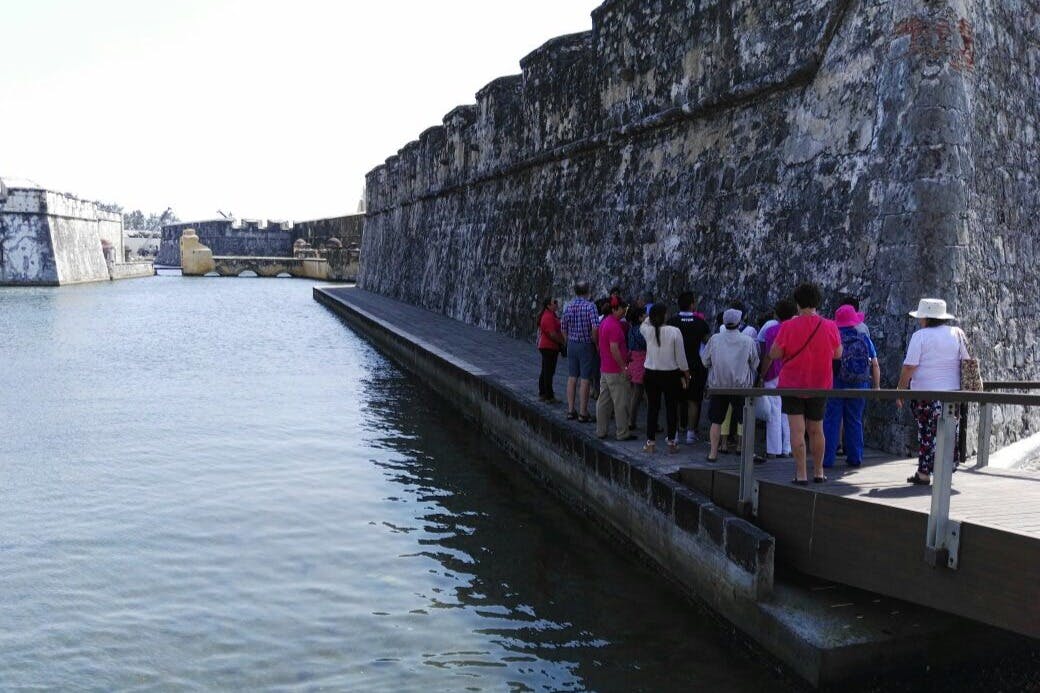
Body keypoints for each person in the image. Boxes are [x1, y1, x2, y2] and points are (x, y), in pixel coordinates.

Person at [765, 283, 842, 484]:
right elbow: (838, 353)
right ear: (817, 302)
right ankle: (818, 471)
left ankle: (801, 474)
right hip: (819, 383)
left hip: (792, 384)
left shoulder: (788, 326)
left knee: (797, 431)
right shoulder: (830, 326)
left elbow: (774, 353)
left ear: (797, 303)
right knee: (817, 429)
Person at [896, 298, 969, 485]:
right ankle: (945, 470)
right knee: (949, 433)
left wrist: (900, 390)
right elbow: (967, 361)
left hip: (925, 395)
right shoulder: (957, 333)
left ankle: (924, 473)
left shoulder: (920, 336)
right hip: (952, 394)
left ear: (926, 318)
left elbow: (909, 367)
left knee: (927, 433)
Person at [822, 305, 880, 468]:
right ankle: (855, 457)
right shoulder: (863, 338)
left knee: (832, 420)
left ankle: (827, 459)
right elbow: (875, 364)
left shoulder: (833, 337)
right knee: (854, 420)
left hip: (836, 383)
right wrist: (876, 387)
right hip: (860, 384)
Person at [703, 308, 760, 462]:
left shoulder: (715, 339)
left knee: (716, 420)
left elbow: (705, 360)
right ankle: (747, 453)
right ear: (738, 322)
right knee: (745, 420)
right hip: (740, 386)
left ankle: (713, 453)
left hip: (719, 386)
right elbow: (755, 363)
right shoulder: (747, 341)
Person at [641, 303, 690, 453]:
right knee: (671, 408)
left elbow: (644, 322)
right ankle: (671, 442)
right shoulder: (675, 331)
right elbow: (681, 357)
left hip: (650, 373)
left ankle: (650, 442)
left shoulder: (647, 331)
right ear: (665, 315)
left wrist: (651, 317)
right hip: (670, 374)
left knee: (652, 408)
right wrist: (686, 374)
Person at [668, 292, 711, 444]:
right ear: (692, 305)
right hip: (695, 366)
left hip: (676, 366)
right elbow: (707, 343)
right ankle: (691, 433)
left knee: (677, 399)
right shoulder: (700, 323)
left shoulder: (672, 322)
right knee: (693, 400)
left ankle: (677, 431)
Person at [758, 299, 797, 458]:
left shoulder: (772, 331)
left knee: (774, 412)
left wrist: (761, 375)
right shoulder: (797, 329)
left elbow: (769, 356)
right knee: (788, 412)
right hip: (792, 374)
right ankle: (787, 448)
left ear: (777, 314)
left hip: (774, 373)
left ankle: (773, 449)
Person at [596, 297, 634, 441]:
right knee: (621, 402)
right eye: (622, 308)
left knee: (604, 401)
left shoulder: (605, 322)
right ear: (615, 309)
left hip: (605, 368)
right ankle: (622, 432)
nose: (624, 311)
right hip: (615, 370)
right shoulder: (614, 326)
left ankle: (601, 431)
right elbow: (614, 348)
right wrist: (623, 366)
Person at [560, 282, 599, 422]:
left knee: (572, 377)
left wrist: (568, 341)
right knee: (585, 378)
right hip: (585, 344)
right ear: (587, 290)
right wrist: (596, 343)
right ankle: (583, 412)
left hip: (572, 343)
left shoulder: (568, 306)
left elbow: (563, 327)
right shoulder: (590, 306)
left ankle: (571, 410)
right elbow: (595, 328)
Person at [536, 297, 564, 402]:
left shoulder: (550, 315)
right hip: (549, 347)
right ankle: (549, 395)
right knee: (549, 371)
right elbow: (552, 334)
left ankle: (543, 393)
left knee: (545, 370)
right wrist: (561, 341)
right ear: (549, 305)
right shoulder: (548, 317)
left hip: (548, 346)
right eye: (554, 302)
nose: (557, 304)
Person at [625, 306, 648, 431]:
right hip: (642, 361)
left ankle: (630, 420)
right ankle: (651, 422)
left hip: (633, 361)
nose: (647, 316)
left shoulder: (631, 330)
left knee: (636, 393)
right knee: (645, 394)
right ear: (640, 317)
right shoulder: (642, 330)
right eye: (645, 314)